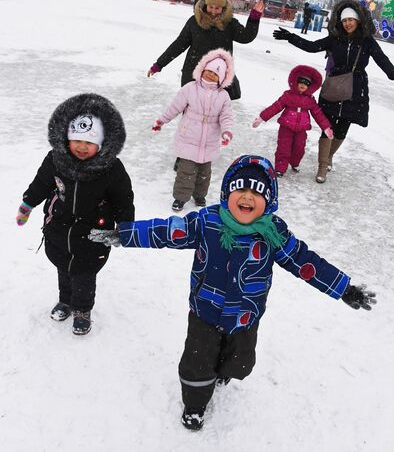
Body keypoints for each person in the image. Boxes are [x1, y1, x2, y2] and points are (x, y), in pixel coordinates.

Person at [89, 154, 376, 431]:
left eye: (258, 192)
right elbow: (167, 230)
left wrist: (343, 288)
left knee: (240, 363)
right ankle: (195, 404)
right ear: (228, 194)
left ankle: (224, 371)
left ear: (269, 200)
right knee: (196, 365)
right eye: (241, 189)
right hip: (205, 311)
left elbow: (306, 262)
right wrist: (124, 234)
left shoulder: (273, 234)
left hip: (245, 316)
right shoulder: (207, 222)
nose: (248, 197)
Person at [16, 93, 135, 335]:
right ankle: (66, 300)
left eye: (89, 143)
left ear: (101, 144)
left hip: (93, 233)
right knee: (63, 266)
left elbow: (123, 198)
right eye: (77, 140)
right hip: (59, 228)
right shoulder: (56, 160)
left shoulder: (111, 168)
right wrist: (28, 204)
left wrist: (125, 228)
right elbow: (41, 182)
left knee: (84, 273)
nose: (82, 147)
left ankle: (82, 309)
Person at [273, 0, 394, 183]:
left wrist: (392, 74)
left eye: (351, 20)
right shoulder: (335, 39)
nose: (348, 23)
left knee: (343, 128)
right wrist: (290, 37)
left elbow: (381, 58)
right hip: (334, 86)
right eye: (344, 20)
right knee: (327, 126)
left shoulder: (366, 41)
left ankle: (329, 156)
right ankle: (322, 167)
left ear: (358, 20)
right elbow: (312, 47)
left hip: (356, 88)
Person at [147, 0, 265, 101]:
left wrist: (254, 18)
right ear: (205, 5)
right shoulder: (194, 22)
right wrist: (159, 64)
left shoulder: (229, 24)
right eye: (211, 7)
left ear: (223, 8)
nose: (213, 11)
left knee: (213, 114)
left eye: (217, 8)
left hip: (217, 76)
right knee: (191, 110)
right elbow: (178, 45)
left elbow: (246, 37)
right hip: (194, 74)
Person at [152, 48, 234, 211]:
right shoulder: (190, 88)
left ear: (222, 78)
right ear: (201, 70)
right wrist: (162, 121)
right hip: (188, 137)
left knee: (204, 174)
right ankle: (180, 198)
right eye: (208, 71)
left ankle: (199, 195)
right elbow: (175, 107)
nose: (210, 75)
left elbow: (226, 116)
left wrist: (226, 131)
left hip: (209, 141)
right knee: (186, 171)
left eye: (215, 74)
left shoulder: (223, 96)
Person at [252, 65, 333, 177]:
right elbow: (275, 107)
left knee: (299, 149)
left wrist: (326, 127)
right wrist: (261, 117)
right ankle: (280, 168)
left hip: (301, 130)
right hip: (286, 127)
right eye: (301, 82)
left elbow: (318, 114)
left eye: (306, 84)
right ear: (296, 82)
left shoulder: (310, 101)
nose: (302, 85)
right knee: (283, 148)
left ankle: (295, 163)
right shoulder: (288, 96)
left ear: (310, 86)